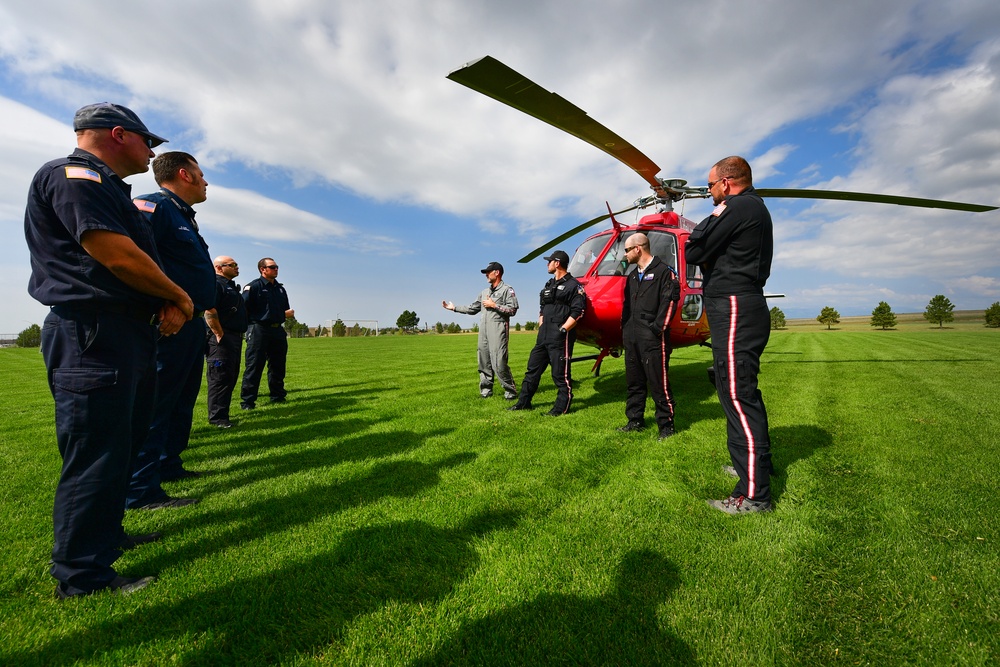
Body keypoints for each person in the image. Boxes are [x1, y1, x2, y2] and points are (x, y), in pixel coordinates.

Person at [24, 102, 194, 598]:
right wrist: (177, 295)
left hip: (125, 333)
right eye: (148, 141)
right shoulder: (74, 176)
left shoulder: (110, 188)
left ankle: (106, 539)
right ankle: (81, 577)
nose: (151, 152)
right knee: (96, 453)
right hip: (92, 334)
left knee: (120, 447)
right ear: (118, 135)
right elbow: (113, 252)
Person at [126, 153, 216, 509]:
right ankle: (140, 489)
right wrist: (163, 302)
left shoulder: (182, 216)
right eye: (201, 175)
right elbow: (135, 259)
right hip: (169, 324)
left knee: (180, 401)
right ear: (184, 174)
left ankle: (168, 465)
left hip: (190, 325)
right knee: (156, 405)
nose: (206, 182)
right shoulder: (153, 206)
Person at [685, 156, 774, 515]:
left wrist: (706, 248)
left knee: (737, 395)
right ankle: (752, 467)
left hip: (735, 306)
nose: (708, 192)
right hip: (738, 304)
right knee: (738, 391)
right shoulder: (751, 208)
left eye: (709, 185)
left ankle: (753, 495)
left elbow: (693, 248)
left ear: (726, 183)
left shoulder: (737, 206)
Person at [508, 250, 586, 415]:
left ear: (557, 263)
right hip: (543, 335)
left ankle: (561, 408)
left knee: (560, 374)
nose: (547, 264)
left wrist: (563, 329)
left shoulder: (574, 285)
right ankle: (523, 403)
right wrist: (542, 325)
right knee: (532, 370)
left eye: (549, 261)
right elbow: (542, 308)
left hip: (560, 336)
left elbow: (578, 311)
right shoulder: (549, 285)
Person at [618, 233, 681, 440]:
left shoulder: (665, 272)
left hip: (654, 338)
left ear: (638, 249)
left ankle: (666, 425)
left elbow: (669, 303)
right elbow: (626, 307)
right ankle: (635, 420)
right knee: (634, 381)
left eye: (627, 250)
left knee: (658, 383)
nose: (624, 254)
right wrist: (625, 330)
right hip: (632, 337)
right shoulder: (632, 276)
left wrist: (657, 329)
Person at [443, 261, 519, 399]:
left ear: (497, 272)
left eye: (488, 272)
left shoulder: (507, 290)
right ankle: (486, 391)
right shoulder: (484, 292)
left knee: (499, 362)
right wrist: (454, 308)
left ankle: (510, 391)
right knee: (483, 361)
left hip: (498, 329)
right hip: (483, 331)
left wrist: (494, 305)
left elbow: (512, 310)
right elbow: (472, 309)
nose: (486, 276)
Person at [240, 258, 293, 409]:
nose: (276, 269)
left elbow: (284, 310)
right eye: (272, 267)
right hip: (259, 329)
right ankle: (248, 401)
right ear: (263, 269)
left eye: (277, 267)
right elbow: (243, 309)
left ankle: (277, 396)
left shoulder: (280, 289)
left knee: (278, 365)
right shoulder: (253, 287)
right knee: (254, 365)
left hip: (277, 330)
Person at [205, 256, 249, 427]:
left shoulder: (230, 287)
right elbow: (209, 308)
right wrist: (218, 334)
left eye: (237, 264)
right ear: (219, 267)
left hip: (234, 337)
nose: (237, 267)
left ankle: (223, 414)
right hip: (222, 338)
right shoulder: (216, 284)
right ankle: (217, 419)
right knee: (220, 377)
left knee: (229, 376)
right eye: (232, 265)